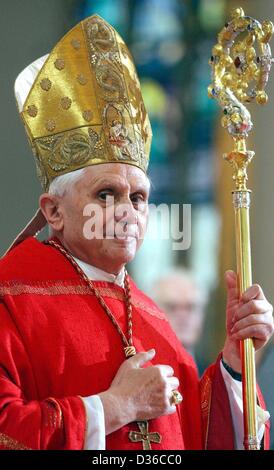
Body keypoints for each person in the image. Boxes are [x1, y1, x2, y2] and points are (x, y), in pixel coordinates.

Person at [0, 15, 273, 451]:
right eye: (106, 193)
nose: (126, 211)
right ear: (54, 211)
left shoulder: (151, 317)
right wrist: (112, 409)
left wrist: (235, 365)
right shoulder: (10, 298)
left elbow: (198, 437)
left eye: (139, 198)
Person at [151, 269, 208, 375]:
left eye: (190, 307)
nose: (183, 316)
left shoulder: (213, 377)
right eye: (172, 307)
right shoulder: (143, 373)